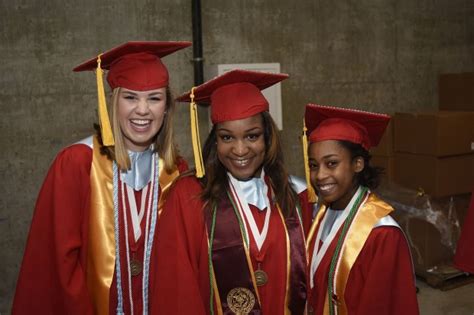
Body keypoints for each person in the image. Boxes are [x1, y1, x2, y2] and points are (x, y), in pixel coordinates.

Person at [12, 41, 190, 315]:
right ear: (113, 102)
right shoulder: (77, 164)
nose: (142, 110)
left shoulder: (174, 170)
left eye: (154, 98)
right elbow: (58, 264)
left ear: (166, 108)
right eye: (130, 97)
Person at [152, 69, 310, 314]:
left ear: (268, 138)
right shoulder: (189, 195)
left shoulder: (295, 194)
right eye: (227, 137)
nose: (239, 150)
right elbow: (175, 287)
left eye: (252, 136)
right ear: (215, 142)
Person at [303, 104, 419, 315]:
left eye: (331, 163)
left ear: (358, 164)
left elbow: (382, 307)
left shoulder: (382, 234)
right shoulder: (323, 214)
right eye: (313, 165)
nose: (319, 175)